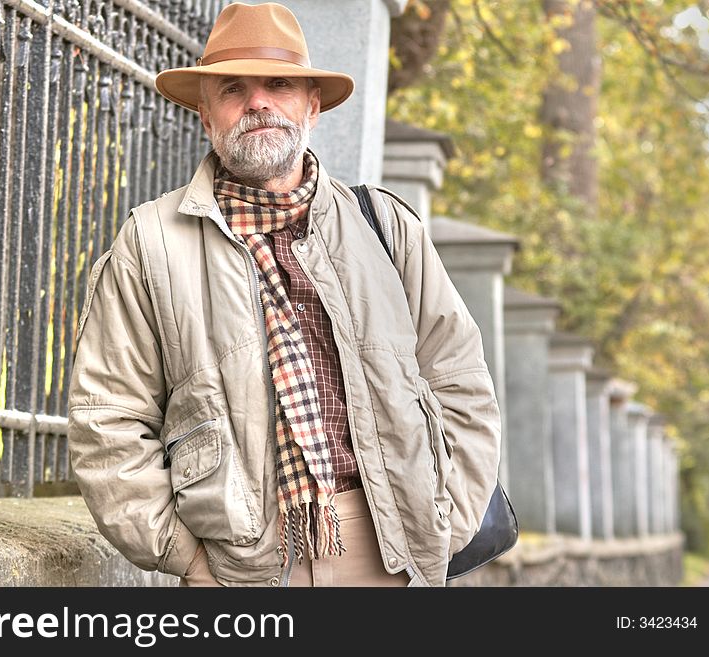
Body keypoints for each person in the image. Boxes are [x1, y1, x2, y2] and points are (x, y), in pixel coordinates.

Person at [67, 2, 501, 587]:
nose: (258, 103)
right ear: (206, 114)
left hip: (393, 552)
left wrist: (447, 525)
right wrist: (187, 560)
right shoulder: (150, 243)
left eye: (279, 84)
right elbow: (108, 419)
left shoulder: (386, 226)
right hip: (241, 569)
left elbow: (460, 380)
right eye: (233, 89)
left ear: (312, 106)